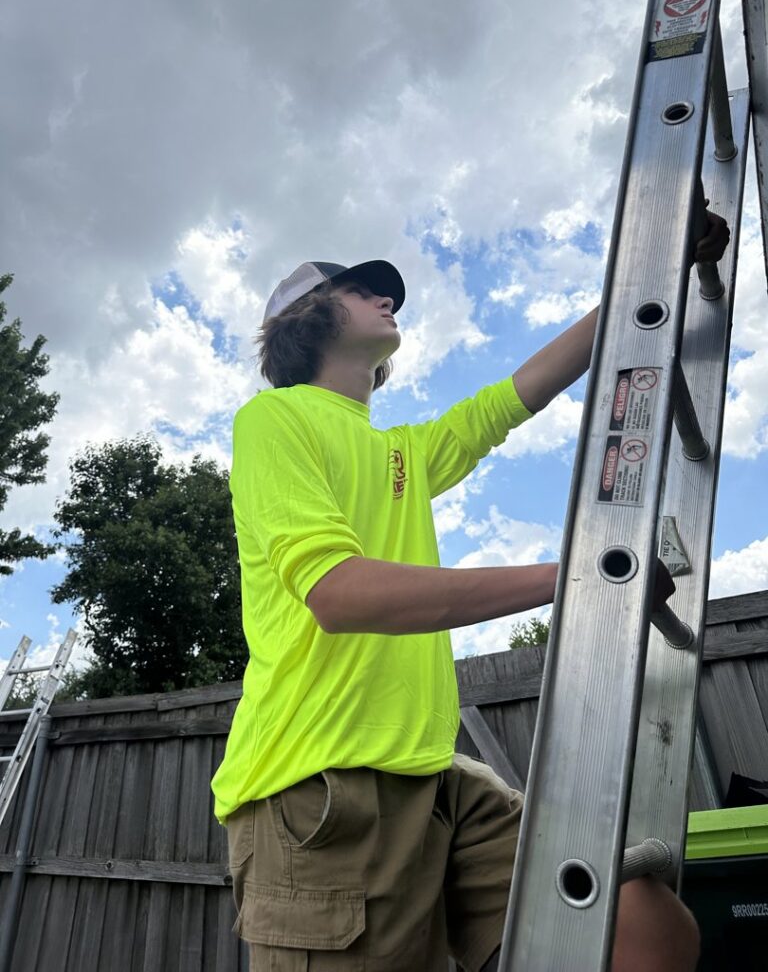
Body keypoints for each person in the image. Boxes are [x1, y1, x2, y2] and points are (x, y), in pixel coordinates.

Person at [211, 214, 730, 972]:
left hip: (435, 777)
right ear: (307, 316)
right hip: (321, 792)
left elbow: (512, 398)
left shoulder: (399, 452)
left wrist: (652, 279)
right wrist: (580, 577)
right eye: (359, 289)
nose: (386, 299)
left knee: (641, 926)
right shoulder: (275, 420)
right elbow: (339, 593)